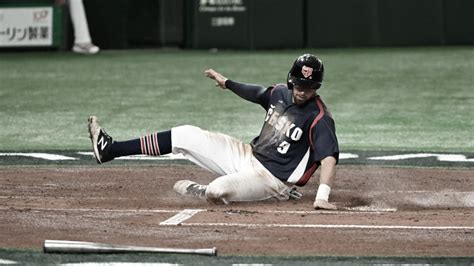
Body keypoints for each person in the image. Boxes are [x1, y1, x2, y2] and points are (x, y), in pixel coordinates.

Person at [87, 54, 339, 210]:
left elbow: (328, 158)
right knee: (186, 134)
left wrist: (322, 196)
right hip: (246, 156)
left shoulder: (320, 117)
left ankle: (203, 190)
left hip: (272, 180)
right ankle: (111, 149)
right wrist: (227, 83)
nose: (303, 90)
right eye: (299, 84)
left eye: (309, 86)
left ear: (317, 87)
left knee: (217, 191)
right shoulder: (280, 93)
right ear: (290, 79)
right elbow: (258, 93)